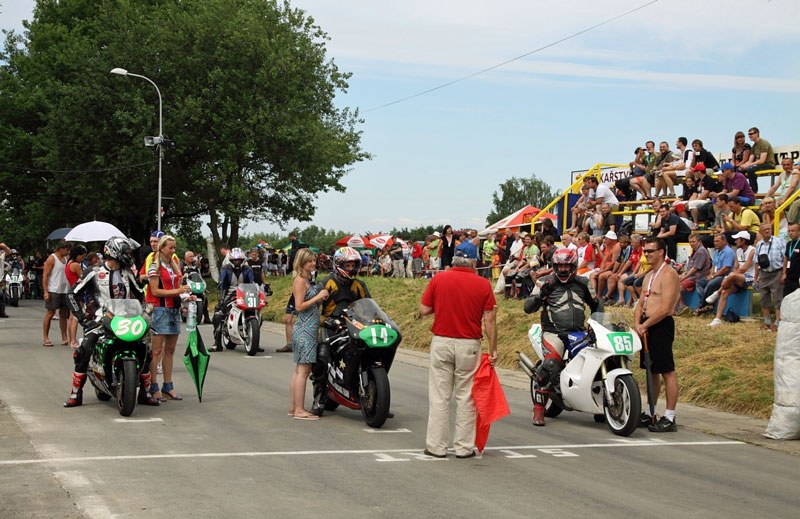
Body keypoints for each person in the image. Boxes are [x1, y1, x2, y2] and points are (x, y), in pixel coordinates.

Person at [64, 237, 160, 408]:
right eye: (126, 252)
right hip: (101, 320)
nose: (129, 256)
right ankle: (75, 393)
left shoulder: (128, 273)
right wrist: (82, 318)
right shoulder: (94, 272)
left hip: (127, 319)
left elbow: (139, 295)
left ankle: (145, 393)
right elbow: (72, 294)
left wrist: (146, 312)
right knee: (84, 349)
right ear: (115, 252)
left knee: (144, 348)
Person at [419, 251, 497, 457]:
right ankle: (463, 447)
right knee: (466, 397)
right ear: (473, 261)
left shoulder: (439, 279)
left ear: (453, 260)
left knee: (439, 396)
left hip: (442, 341)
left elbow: (424, 309)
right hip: (469, 344)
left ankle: (436, 446)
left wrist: (442, 304)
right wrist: (493, 349)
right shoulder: (483, 284)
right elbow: (489, 319)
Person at [523, 248, 599, 426]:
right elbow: (528, 308)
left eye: (567, 266)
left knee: (597, 361)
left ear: (573, 265)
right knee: (551, 364)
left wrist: (596, 323)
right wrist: (541, 295)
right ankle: (539, 410)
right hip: (553, 333)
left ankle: (601, 405)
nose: (563, 270)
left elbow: (596, 304)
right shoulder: (544, 281)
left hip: (579, 333)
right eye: (559, 266)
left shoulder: (583, 282)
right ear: (554, 267)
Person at [310, 247, 371, 416]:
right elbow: (314, 309)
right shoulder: (326, 282)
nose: (352, 269)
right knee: (322, 354)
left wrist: (371, 320)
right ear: (338, 264)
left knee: (370, 351)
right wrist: (327, 321)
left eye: (354, 265)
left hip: (353, 325)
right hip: (329, 325)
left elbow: (369, 306)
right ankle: (319, 397)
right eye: (348, 265)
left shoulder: (359, 284)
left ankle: (375, 396)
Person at [634, 237, 680, 432]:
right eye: (645, 251)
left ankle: (669, 415)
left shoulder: (669, 274)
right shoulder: (649, 275)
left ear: (661, 252)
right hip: (646, 325)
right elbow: (641, 303)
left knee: (666, 370)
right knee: (651, 370)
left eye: (651, 251)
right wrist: (638, 323)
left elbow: (666, 307)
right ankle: (650, 411)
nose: (647, 254)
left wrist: (646, 324)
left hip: (660, 325)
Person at [146, 235, 192, 401]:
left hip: (173, 309)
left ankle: (168, 385)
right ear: (162, 248)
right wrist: (178, 292)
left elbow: (176, 288)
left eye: (174, 247)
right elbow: (155, 291)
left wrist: (186, 295)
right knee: (156, 351)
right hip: (160, 310)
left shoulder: (173, 265)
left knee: (170, 350)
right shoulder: (154, 266)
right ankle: (153, 386)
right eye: (171, 248)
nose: (173, 250)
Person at [288, 249, 330, 420]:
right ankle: (299, 409)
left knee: (299, 371)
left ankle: (293, 407)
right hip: (305, 330)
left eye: (314, 261)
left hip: (307, 329)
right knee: (303, 372)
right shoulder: (299, 280)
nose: (313, 264)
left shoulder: (305, 280)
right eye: (309, 261)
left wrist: (319, 299)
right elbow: (298, 306)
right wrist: (318, 296)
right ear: (301, 263)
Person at [708, 231, 755, 327]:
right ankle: (717, 319)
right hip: (738, 278)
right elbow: (736, 267)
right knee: (725, 292)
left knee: (732, 275)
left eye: (737, 239)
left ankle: (717, 292)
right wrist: (732, 275)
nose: (735, 241)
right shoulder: (737, 251)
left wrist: (731, 276)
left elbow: (744, 268)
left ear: (743, 240)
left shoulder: (752, 250)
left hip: (750, 277)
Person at [212, 247, 256, 351]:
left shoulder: (248, 269)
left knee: (256, 312)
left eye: (239, 260)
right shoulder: (225, 268)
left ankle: (255, 339)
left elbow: (251, 283)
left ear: (243, 260)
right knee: (218, 314)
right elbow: (222, 283)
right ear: (231, 260)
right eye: (235, 260)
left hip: (245, 294)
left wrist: (256, 291)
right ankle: (217, 343)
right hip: (230, 295)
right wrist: (221, 293)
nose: (237, 262)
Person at [754, 223, 786, 331]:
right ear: (760, 232)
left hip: (777, 272)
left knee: (778, 298)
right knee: (764, 298)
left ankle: (777, 322)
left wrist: (784, 273)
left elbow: (785, 258)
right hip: (764, 273)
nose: (767, 231)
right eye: (765, 229)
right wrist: (756, 277)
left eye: (769, 229)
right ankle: (767, 322)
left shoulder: (779, 241)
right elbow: (756, 262)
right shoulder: (759, 244)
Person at [42, 242, 72, 347]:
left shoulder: (66, 259)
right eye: (67, 250)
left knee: (63, 314)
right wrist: (46, 291)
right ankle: (46, 337)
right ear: (61, 249)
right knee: (50, 313)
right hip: (53, 289)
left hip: (64, 290)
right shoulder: (52, 258)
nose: (68, 252)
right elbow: (45, 275)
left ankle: (64, 337)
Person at [737, 127, 776, 194]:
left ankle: (754, 191)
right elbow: (750, 160)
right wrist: (743, 166)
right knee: (739, 170)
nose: (749, 136)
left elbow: (762, 160)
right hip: (759, 165)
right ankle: (742, 189)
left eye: (751, 134)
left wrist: (748, 165)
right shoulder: (754, 146)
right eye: (748, 134)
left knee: (750, 169)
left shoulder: (764, 143)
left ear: (757, 133)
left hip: (768, 164)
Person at [65, 245, 88, 349]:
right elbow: (83, 277)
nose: (82, 259)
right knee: (76, 317)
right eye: (82, 257)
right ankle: (73, 341)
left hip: (71, 291)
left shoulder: (68, 263)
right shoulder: (75, 265)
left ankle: (71, 339)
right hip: (77, 293)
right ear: (77, 255)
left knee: (71, 317)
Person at [782, 222, 800, 299]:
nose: (790, 233)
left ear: (799, 231)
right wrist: (784, 273)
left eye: (793, 231)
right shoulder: (789, 244)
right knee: (786, 297)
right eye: (789, 231)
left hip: (798, 277)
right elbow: (786, 258)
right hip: (789, 276)